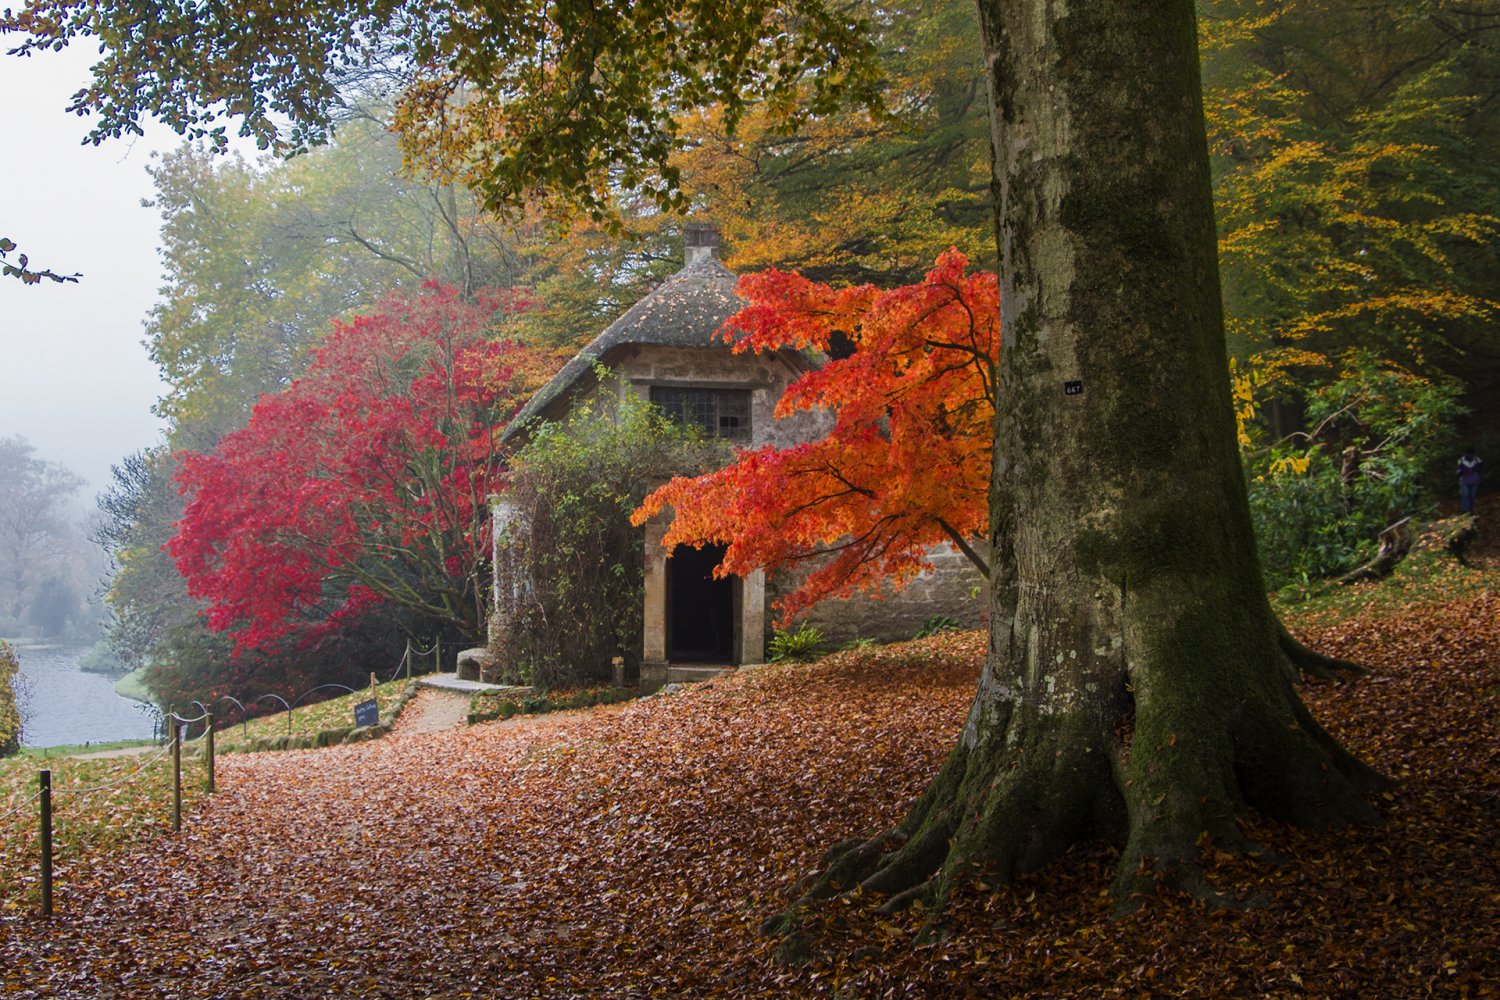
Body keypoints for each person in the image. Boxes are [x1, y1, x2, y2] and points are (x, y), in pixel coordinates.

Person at [1458, 445, 1482, 514]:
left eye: (1471, 454)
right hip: (1464, 480)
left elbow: (1481, 468)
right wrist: (1461, 473)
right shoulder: (1461, 460)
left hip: (1474, 480)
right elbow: (1459, 470)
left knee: (1472, 495)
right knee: (1465, 495)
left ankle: (1470, 509)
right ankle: (1464, 510)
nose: (1470, 455)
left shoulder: (1477, 459)